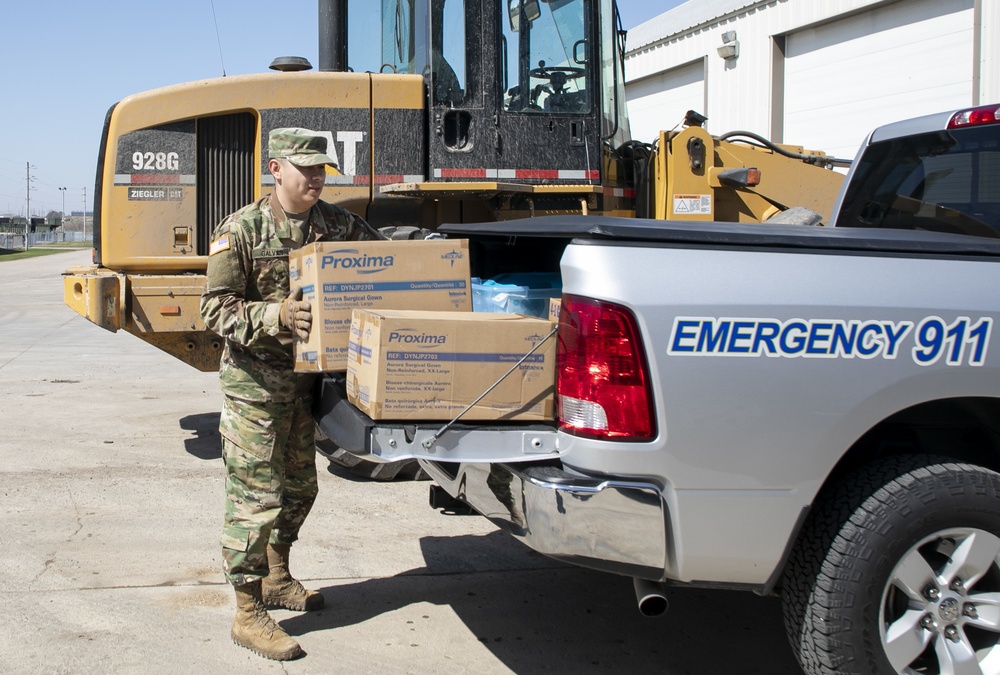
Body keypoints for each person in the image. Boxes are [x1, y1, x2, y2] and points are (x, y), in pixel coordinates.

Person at [200, 127, 382, 661]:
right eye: (307, 168)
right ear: (276, 168)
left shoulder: (337, 225)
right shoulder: (241, 230)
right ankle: (248, 610)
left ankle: (278, 576)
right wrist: (275, 314)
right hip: (254, 388)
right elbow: (213, 310)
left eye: (322, 168)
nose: (318, 178)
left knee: (301, 489)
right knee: (255, 499)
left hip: (309, 387)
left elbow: (388, 267)